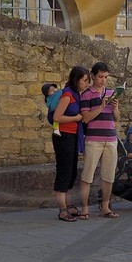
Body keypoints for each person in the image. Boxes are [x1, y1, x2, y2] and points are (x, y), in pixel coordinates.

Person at [77, 60, 122, 218]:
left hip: (110, 139)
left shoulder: (111, 93)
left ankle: (105, 207)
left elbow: (116, 118)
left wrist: (115, 108)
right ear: (93, 76)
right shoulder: (86, 95)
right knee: (87, 175)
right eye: (101, 77)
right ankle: (84, 208)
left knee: (109, 176)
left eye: (106, 77)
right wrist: (102, 106)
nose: (103, 80)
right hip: (93, 139)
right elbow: (86, 118)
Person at [51, 66, 89, 220]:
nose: (87, 84)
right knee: (64, 171)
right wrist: (76, 118)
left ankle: (67, 205)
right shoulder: (67, 95)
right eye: (85, 81)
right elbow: (57, 117)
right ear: (76, 79)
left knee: (71, 170)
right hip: (64, 137)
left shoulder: (77, 95)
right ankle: (62, 210)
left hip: (72, 136)